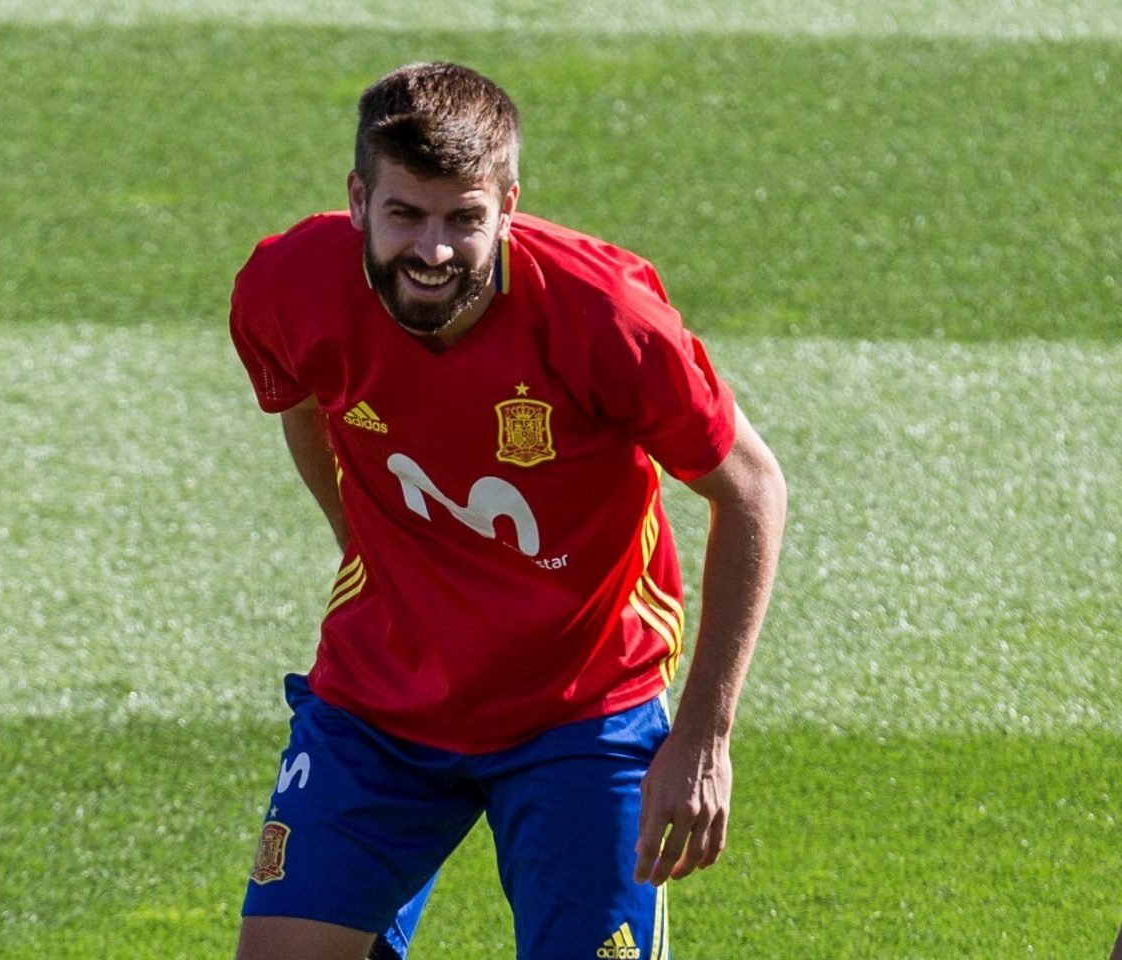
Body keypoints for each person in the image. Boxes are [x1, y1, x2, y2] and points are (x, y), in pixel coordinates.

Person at [227, 61, 786, 960]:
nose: (433, 250)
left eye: (464, 218)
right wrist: (370, 548)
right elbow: (299, 399)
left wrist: (703, 736)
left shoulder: (607, 316)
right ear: (358, 198)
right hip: (380, 707)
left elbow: (752, 487)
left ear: (509, 205)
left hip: (582, 712)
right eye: (405, 213)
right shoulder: (283, 288)